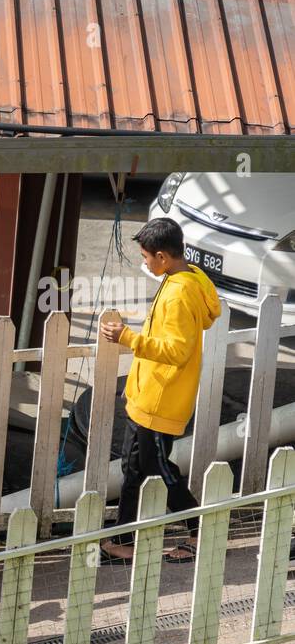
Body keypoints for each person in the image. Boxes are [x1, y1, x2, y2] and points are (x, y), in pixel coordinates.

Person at [98, 217, 221, 565]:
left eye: (146, 256)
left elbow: (177, 351)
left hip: (158, 401)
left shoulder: (181, 292)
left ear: (164, 257)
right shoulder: (186, 277)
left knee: (157, 468)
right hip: (148, 396)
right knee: (133, 468)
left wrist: (128, 338)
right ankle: (119, 540)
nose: (145, 263)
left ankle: (200, 531)